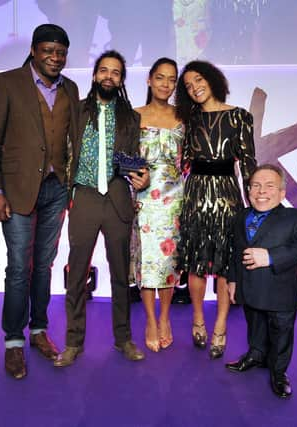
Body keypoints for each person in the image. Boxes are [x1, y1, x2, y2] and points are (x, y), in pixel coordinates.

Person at [0, 24, 80, 379]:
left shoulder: (71, 89)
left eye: (62, 52)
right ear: (35, 51)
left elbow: (75, 142)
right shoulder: (7, 83)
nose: (56, 57)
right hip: (17, 190)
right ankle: (13, 342)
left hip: (56, 190)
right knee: (19, 267)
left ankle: (38, 330)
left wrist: (73, 187)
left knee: (44, 265)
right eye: (49, 50)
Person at [54, 50, 150, 367]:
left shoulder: (130, 118)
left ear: (121, 80)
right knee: (77, 272)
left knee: (121, 275)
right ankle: (73, 342)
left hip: (118, 197)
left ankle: (123, 339)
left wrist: (142, 175)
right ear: (95, 75)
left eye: (116, 72)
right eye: (104, 70)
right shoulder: (76, 111)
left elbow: (134, 158)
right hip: (84, 197)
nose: (109, 76)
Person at [175, 60, 257, 359]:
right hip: (195, 194)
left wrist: (255, 208)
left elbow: (248, 164)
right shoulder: (187, 119)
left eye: (198, 80)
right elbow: (178, 161)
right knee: (196, 261)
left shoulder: (239, 117)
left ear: (212, 80)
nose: (194, 88)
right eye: (187, 86)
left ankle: (220, 325)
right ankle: (198, 318)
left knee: (225, 265)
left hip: (227, 196)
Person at [225, 164, 297, 399]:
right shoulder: (240, 217)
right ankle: (255, 355)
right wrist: (233, 281)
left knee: (281, 332)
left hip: (281, 291)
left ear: (282, 193)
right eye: (255, 185)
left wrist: (270, 257)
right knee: (254, 324)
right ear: (248, 190)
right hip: (249, 287)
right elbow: (234, 252)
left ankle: (278, 372)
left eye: (269, 186)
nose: (261, 191)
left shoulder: (295, 217)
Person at [130, 57, 184, 352]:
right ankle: (150, 320)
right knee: (147, 263)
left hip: (175, 199)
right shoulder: (133, 116)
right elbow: (121, 158)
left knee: (169, 263)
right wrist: (132, 178)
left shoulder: (184, 117)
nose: (166, 84)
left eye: (171, 79)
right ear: (149, 80)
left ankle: (165, 318)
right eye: (160, 77)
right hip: (143, 199)